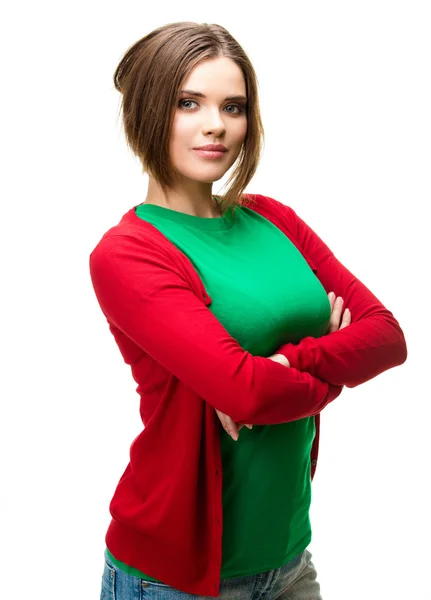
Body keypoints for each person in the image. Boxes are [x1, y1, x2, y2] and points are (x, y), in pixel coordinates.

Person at [89, 21, 408, 600]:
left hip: (288, 558)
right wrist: (328, 371)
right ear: (148, 110)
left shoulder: (273, 219)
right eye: (190, 103)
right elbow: (249, 393)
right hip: (179, 580)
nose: (216, 125)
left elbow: (387, 338)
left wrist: (287, 365)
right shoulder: (129, 253)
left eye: (232, 106)